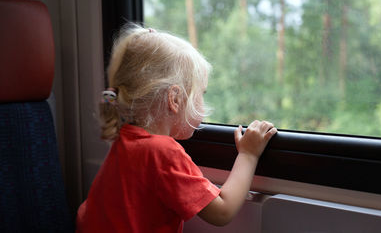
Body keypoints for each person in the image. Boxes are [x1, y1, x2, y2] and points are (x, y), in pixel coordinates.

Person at [75, 23, 277, 233]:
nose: (203, 103)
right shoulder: (162, 151)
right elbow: (222, 211)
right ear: (175, 99)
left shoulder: (124, 141)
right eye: (202, 93)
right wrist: (248, 154)